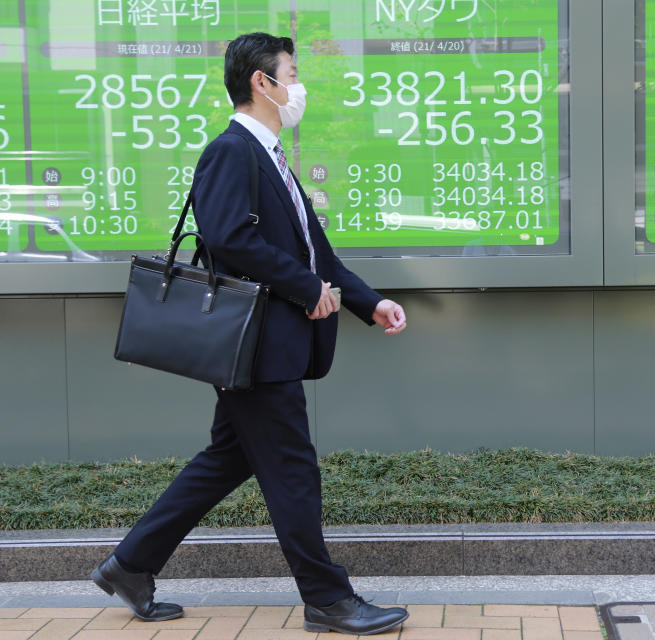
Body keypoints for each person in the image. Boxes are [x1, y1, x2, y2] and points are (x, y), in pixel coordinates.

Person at [90, 32, 409, 636]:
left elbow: (319, 257)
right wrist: (305, 289)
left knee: (225, 460)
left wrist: (370, 303)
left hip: (269, 343)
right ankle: (327, 599)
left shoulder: (272, 157)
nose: (299, 85)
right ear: (263, 83)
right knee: (292, 470)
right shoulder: (232, 152)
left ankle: (129, 565)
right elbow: (230, 237)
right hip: (258, 346)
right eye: (293, 72)